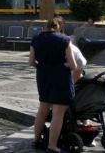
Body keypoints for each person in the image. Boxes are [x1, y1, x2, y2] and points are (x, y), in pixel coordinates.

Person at [30, 18, 79, 152]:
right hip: (61, 77)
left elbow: (31, 62)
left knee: (42, 109)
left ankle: (36, 140)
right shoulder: (65, 39)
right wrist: (63, 66)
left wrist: (43, 67)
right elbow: (73, 65)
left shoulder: (36, 39)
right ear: (59, 27)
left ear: (46, 26)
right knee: (58, 113)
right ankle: (52, 145)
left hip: (43, 76)